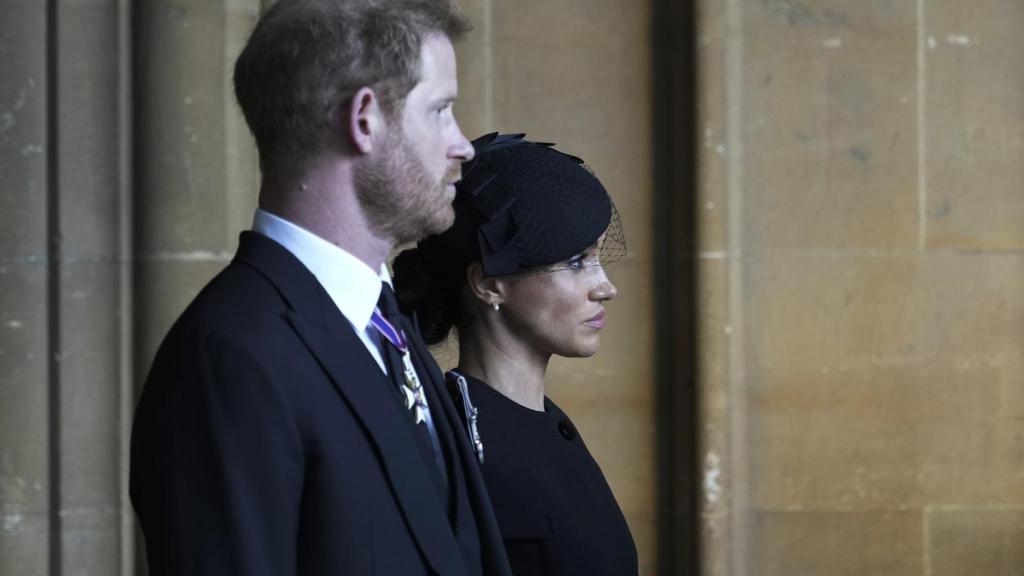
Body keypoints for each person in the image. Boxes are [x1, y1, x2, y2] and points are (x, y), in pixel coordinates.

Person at [129, 2, 513, 575]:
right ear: (365, 120)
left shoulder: (383, 323)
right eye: (441, 111)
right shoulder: (231, 358)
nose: (464, 146)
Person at [392, 133, 638, 576]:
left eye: (596, 258)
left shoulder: (544, 424)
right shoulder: (455, 445)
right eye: (577, 262)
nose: (606, 288)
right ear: (489, 284)